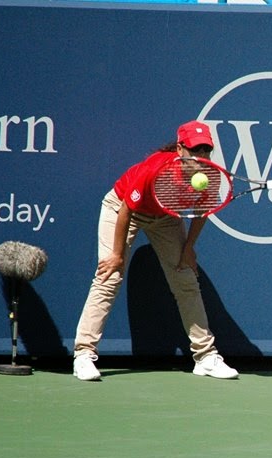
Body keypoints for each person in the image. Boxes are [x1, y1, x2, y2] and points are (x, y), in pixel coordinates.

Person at [72, 121, 238, 382]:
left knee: (186, 279)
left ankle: (205, 357)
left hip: (165, 217)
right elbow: (126, 209)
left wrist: (188, 249)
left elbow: (201, 212)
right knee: (109, 276)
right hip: (121, 209)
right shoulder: (155, 169)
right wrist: (117, 255)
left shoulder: (211, 175)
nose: (202, 156)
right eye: (195, 150)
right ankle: (83, 354)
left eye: (206, 150)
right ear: (180, 149)